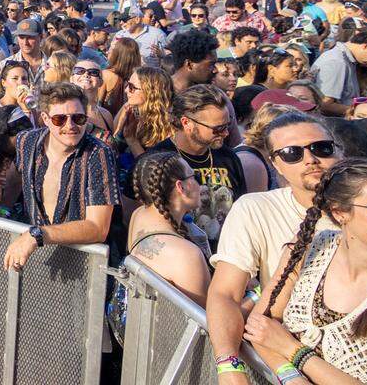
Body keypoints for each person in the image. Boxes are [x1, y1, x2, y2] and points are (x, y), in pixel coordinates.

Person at [207, 112, 342, 382]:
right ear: (275, 164)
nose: (310, 159)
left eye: (321, 148)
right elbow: (225, 293)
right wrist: (230, 367)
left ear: (339, 152)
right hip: (286, 360)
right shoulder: (255, 208)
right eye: (292, 153)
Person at [244, 159, 367, 384]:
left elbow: (275, 338)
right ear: (340, 212)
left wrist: (293, 351)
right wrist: (291, 377)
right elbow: (259, 327)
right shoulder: (312, 248)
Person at [5, 82, 120, 271]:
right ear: (45, 118)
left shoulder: (98, 154)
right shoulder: (27, 142)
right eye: (59, 119)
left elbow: (98, 228)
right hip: (31, 257)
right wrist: (2, 215)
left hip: (81, 266)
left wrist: (38, 235)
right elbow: (13, 182)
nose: (70, 126)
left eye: (78, 118)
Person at [109, 151, 210, 344]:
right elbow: (208, 324)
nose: (200, 184)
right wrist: (254, 296)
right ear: (181, 187)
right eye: (194, 177)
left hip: (142, 346)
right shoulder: (185, 255)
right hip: (174, 356)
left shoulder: (139, 216)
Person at [151, 84, 247, 246]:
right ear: (187, 123)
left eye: (228, 125)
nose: (226, 133)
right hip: (180, 256)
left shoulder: (229, 157)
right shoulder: (157, 160)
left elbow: (242, 211)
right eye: (218, 129)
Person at [313, 26, 367, 115]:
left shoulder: (348, 61)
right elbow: (325, 105)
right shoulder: (337, 62)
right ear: (365, 46)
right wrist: (364, 113)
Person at [113, 66, 174, 158]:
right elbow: (114, 149)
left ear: (151, 92)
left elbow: (153, 168)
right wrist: (121, 133)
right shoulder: (129, 110)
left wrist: (132, 140)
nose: (126, 91)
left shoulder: (171, 125)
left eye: (131, 87)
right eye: (127, 85)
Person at [69, 59, 115, 143]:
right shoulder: (65, 111)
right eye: (79, 71)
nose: (86, 74)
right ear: (71, 78)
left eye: (93, 72)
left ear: (101, 82)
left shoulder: (106, 115)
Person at [169, 28, 219, 93]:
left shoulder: (206, 92)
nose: (216, 70)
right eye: (211, 65)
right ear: (189, 64)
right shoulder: (159, 92)